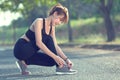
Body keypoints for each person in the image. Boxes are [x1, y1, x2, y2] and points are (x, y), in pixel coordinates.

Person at [13, 3, 77, 75]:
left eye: (61, 22)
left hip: (30, 53)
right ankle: (60, 67)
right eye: (60, 19)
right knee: (49, 41)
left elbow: (55, 46)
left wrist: (66, 59)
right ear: (55, 14)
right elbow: (39, 43)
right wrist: (56, 57)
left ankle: (24, 62)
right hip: (21, 48)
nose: (59, 23)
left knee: (52, 61)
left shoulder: (52, 28)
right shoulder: (39, 21)